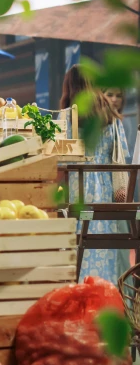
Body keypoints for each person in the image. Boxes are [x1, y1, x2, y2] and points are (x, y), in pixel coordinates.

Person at [59, 65, 130, 285]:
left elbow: (59, 159)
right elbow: (121, 155)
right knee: (105, 243)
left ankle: (81, 295)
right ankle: (108, 296)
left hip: (76, 188)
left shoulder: (66, 118)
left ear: (69, 87)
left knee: (78, 244)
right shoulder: (111, 116)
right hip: (105, 189)